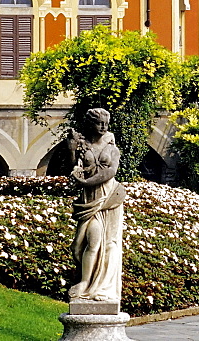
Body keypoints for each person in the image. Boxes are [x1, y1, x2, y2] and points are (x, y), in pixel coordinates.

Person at [67, 107, 126, 304]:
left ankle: (98, 286)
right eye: (99, 123)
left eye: (106, 124)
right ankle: (85, 281)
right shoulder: (84, 146)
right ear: (90, 123)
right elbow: (76, 168)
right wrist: (72, 150)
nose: (103, 127)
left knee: (106, 244)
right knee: (80, 245)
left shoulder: (112, 148)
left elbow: (110, 172)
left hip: (108, 199)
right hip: (89, 200)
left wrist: (85, 182)